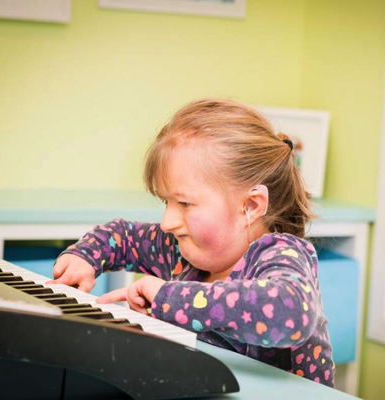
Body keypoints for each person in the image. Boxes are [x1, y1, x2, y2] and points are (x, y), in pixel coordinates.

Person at [49, 98, 335, 387]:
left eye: (184, 203)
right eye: (166, 201)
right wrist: (85, 256)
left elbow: (289, 311)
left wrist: (167, 297)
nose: (167, 222)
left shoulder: (280, 253)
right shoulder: (178, 248)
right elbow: (121, 235)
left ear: (250, 205)